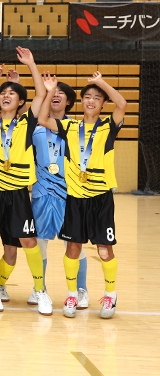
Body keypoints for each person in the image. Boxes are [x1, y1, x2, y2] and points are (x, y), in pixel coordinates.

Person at [0, 47, 53, 316]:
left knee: (28, 242)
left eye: (11, 94)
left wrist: (31, 63)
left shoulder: (26, 124)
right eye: (3, 93)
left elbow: (40, 95)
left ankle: (41, 291)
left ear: (20, 104)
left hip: (17, 194)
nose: (6, 96)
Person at [38, 71, 126, 319]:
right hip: (75, 198)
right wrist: (48, 90)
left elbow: (123, 104)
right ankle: (72, 294)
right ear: (82, 101)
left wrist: (100, 83)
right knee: (73, 248)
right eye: (87, 97)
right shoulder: (69, 126)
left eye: (96, 98)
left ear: (102, 103)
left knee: (104, 250)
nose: (91, 101)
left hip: (101, 199)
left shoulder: (109, 126)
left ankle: (110, 295)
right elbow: (43, 118)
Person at [27, 73, 89, 309]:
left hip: (69, 194)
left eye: (61, 93)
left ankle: (80, 290)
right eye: (53, 92)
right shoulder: (34, 128)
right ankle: (38, 289)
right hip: (42, 193)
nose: (56, 95)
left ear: (69, 102)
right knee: (39, 243)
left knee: (73, 244)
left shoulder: (76, 127)